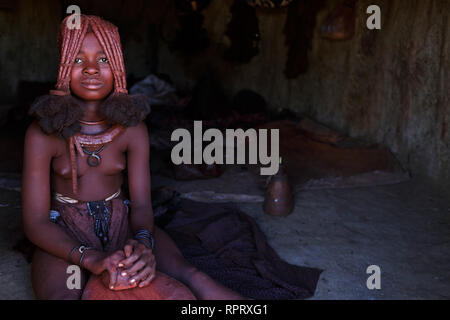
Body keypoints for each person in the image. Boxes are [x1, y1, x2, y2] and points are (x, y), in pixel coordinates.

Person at [22, 14, 244, 300]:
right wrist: (90, 259)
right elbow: (35, 223)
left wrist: (142, 245)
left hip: (124, 225)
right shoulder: (43, 133)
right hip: (65, 238)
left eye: (103, 60)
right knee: (64, 296)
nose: (91, 70)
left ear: (118, 66)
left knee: (191, 277)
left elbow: (141, 205)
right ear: (63, 67)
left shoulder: (132, 128)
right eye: (78, 60)